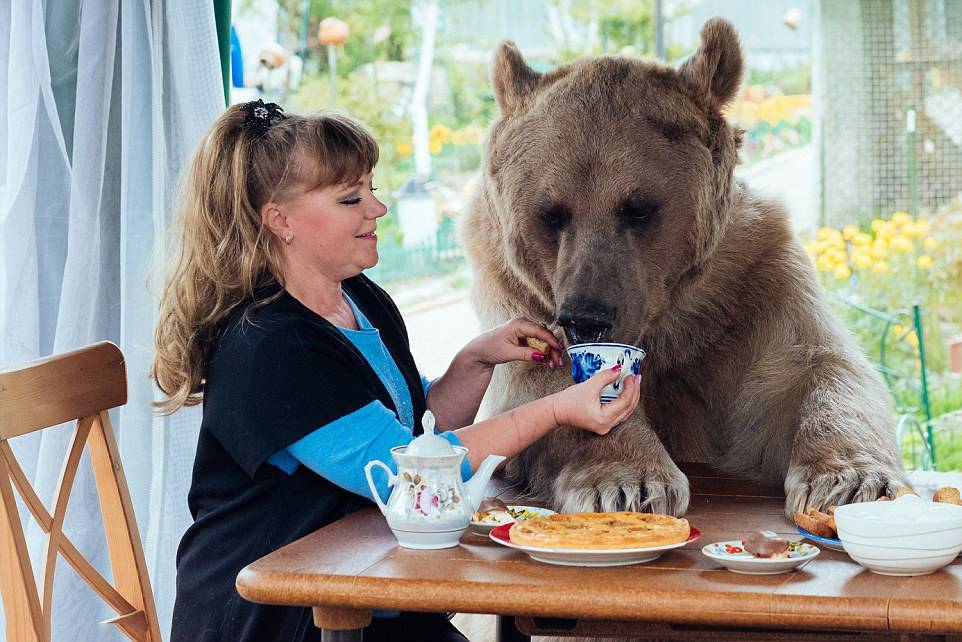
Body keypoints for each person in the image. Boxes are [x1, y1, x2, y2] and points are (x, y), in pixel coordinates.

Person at [151, 100, 641, 642]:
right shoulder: (270, 349)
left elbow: (416, 428)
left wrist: (476, 360)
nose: (378, 208)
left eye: (371, 188)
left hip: (358, 579)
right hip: (280, 611)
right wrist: (556, 410)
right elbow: (411, 476)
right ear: (280, 221)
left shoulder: (358, 298)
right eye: (351, 198)